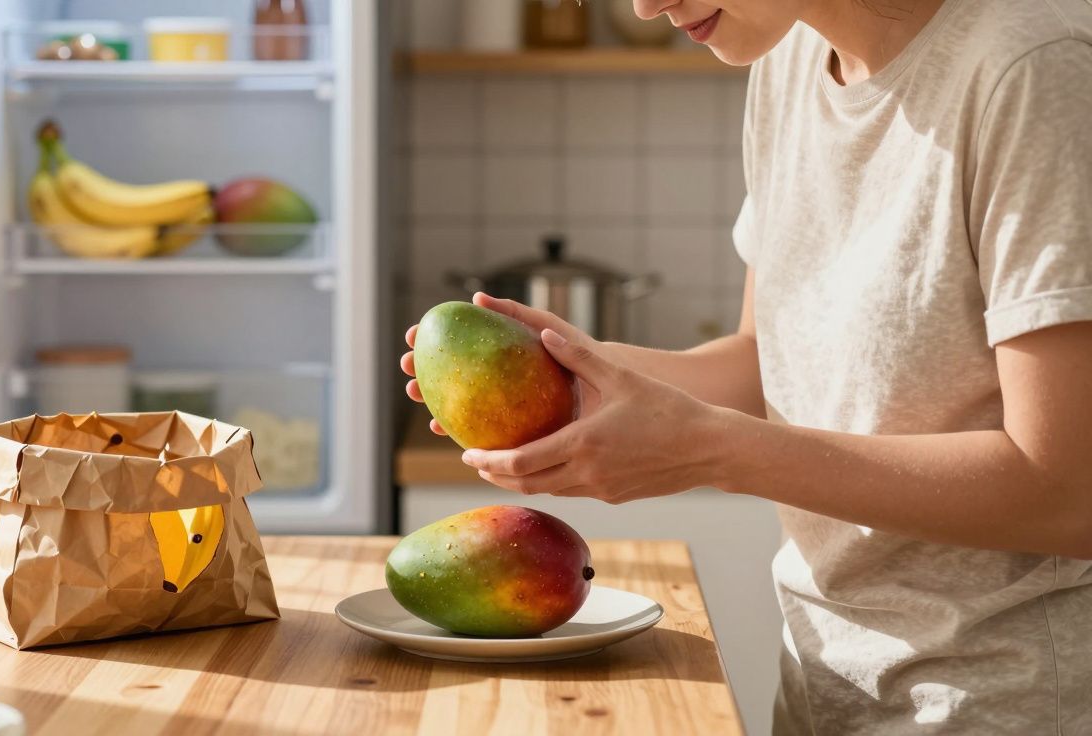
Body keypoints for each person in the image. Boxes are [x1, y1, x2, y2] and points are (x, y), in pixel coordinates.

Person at [400, 0, 1092, 732]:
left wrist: (712, 451)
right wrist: (571, 376)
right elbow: (766, 364)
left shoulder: (1033, 70)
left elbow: (1068, 495)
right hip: (821, 686)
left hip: (1001, 705)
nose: (645, 6)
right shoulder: (789, 61)